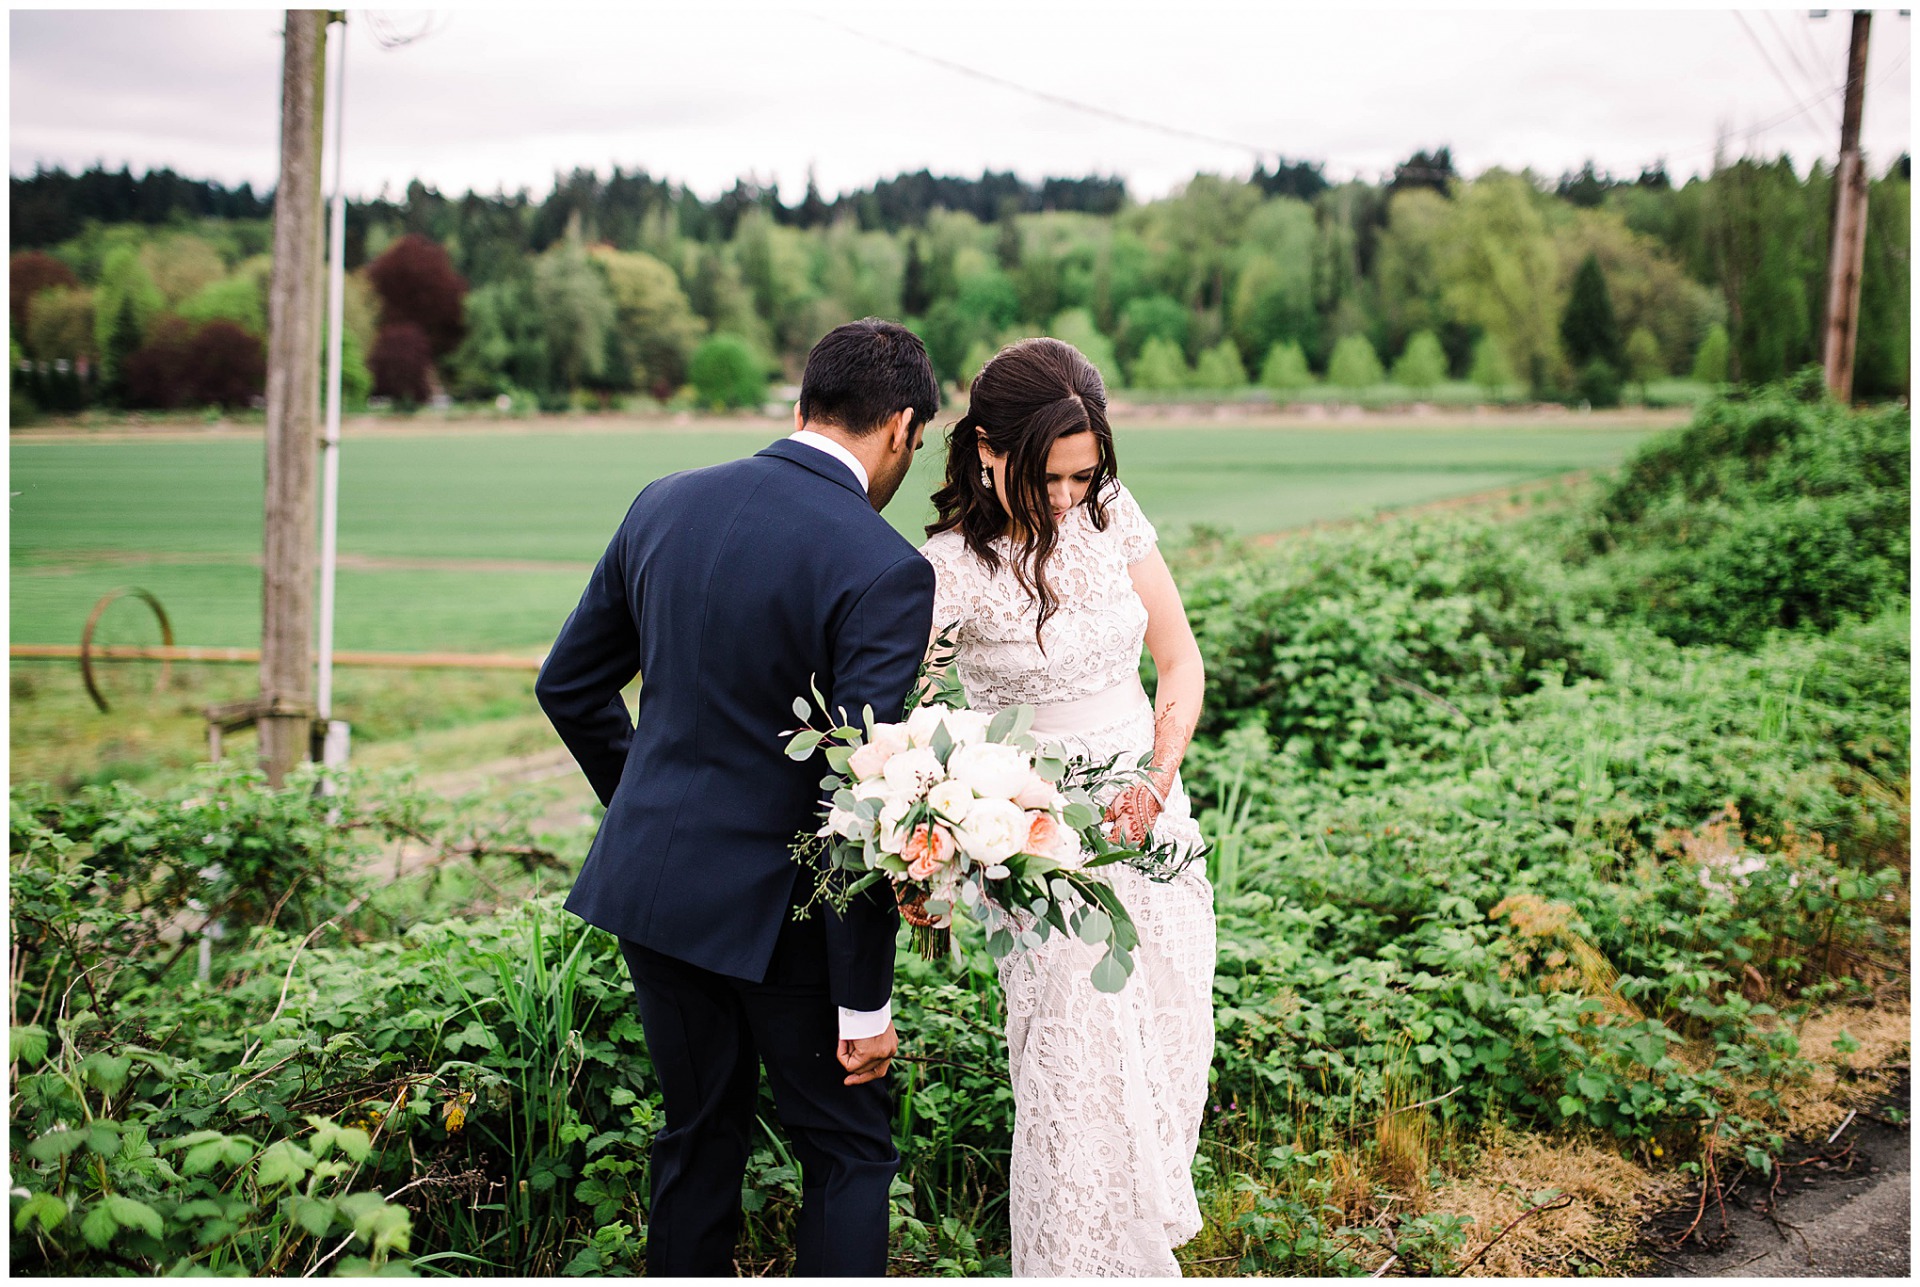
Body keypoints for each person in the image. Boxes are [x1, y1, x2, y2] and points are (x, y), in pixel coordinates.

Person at [536, 318, 939, 1277]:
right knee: (847, 1151)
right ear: (900, 429)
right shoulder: (883, 567)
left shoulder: (664, 503)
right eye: (913, 449)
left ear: (802, 406)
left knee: (697, 1136)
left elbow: (569, 685)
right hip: (786, 921)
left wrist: (646, 806)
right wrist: (862, 1007)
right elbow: (863, 794)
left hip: (657, 893)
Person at [920, 337, 1217, 1276]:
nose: (1066, 497)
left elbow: (1180, 662)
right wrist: (951, 823)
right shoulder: (946, 570)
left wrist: (1156, 779)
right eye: (1048, 477)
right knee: (1078, 1081)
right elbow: (908, 724)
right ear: (985, 449)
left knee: (1171, 1046)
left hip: (1151, 824)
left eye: (1084, 475)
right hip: (1041, 849)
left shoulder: (1114, 516)